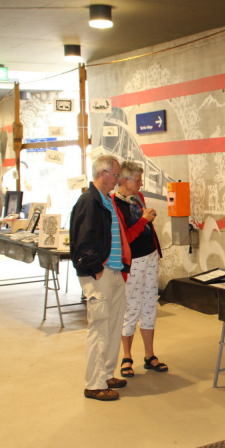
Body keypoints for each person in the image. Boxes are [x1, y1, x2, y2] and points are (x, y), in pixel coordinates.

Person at [70, 155, 132, 401]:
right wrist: (96, 267)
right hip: (100, 272)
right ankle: (94, 384)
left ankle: (107, 373)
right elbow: (83, 240)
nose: (118, 181)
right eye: (115, 175)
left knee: (113, 325)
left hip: (114, 271)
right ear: (102, 173)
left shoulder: (106, 200)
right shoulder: (89, 201)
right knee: (99, 327)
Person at [111, 161, 166, 377]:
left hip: (150, 256)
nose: (141, 184)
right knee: (131, 307)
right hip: (133, 261)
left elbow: (145, 227)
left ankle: (150, 355)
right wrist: (143, 221)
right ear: (124, 181)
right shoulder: (114, 204)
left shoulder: (138, 198)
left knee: (149, 305)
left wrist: (147, 218)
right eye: (137, 180)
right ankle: (126, 356)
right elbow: (126, 237)